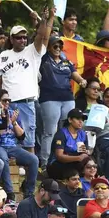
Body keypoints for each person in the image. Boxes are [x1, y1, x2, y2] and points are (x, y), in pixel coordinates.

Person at [0, 8, 55, 154]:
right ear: (12, 39)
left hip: (26, 103)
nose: (22, 40)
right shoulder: (3, 56)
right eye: (18, 37)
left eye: (24, 37)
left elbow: (41, 36)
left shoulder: (32, 51)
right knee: (8, 140)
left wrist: (44, 19)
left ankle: (30, 173)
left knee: (28, 141)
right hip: (7, 104)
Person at [38, 35, 86, 166]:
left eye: (60, 46)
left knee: (67, 130)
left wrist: (82, 81)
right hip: (49, 98)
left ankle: (66, 158)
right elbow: (40, 40)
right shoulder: (43, 59)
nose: (58, 48)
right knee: (50, 131)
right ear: (49, 47)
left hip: (67, 98)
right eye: (55, 46)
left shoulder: (66, 61)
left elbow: (75, 75)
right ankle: (45, 162)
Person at [0, 89, 39, 197]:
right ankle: (10, 191)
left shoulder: (13, 113)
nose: (7, 103)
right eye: (4, 100)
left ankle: (29, 192)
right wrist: (6, 122)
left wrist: (14, 123)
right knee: (4, 159)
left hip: (12, 146)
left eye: (9, 100)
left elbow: (21, 136)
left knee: (34, 159)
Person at [46, 108, 88, 180]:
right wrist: (78, 158)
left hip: (74, 162)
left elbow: (84, 153)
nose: (81, 121)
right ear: (70, 120)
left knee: (90, 162)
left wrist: (86, 152)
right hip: (57, 165)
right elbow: (59, 156)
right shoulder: (62, 134)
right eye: (78, 119)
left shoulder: (83, 134)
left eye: (82, 119)